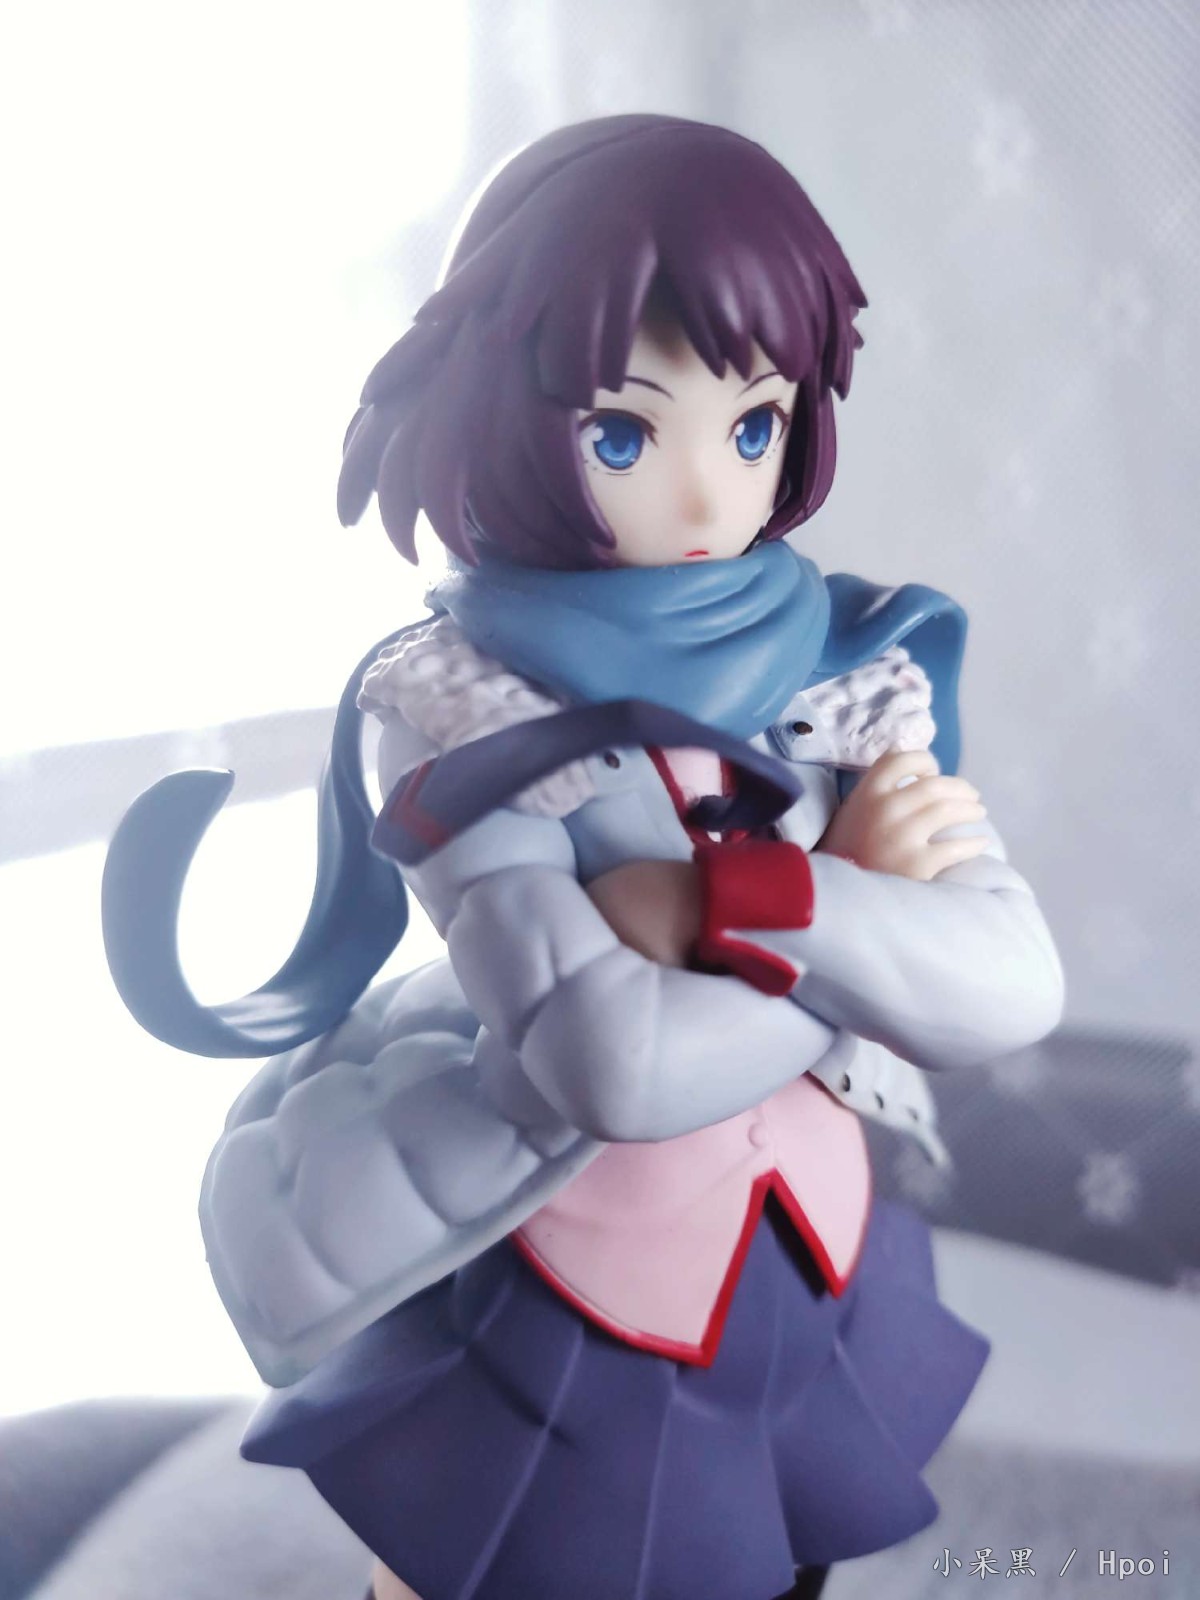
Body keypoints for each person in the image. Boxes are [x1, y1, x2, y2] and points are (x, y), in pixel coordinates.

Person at [103, 115, 1065, 1600]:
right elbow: (616, 1062)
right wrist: (870, 937)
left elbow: (1010, 982)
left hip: (800, 1261)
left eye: (752, 426)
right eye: (625, 434)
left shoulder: (848, 668)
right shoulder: (457, 703)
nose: (705, 500)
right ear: (499, 413)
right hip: (559, 1286)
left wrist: (723, 902)